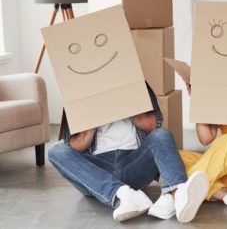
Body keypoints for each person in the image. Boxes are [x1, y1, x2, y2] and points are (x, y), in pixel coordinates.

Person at [48, 82, 209, 223]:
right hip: (96, 171)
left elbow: (154, 124)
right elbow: (76, 145)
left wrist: (127, 103)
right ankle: (123, 195)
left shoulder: (136, 82)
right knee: (57, 151)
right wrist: (92, 114)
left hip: (133, 163)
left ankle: (178, 195)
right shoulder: (78, 91)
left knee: (162, 134)